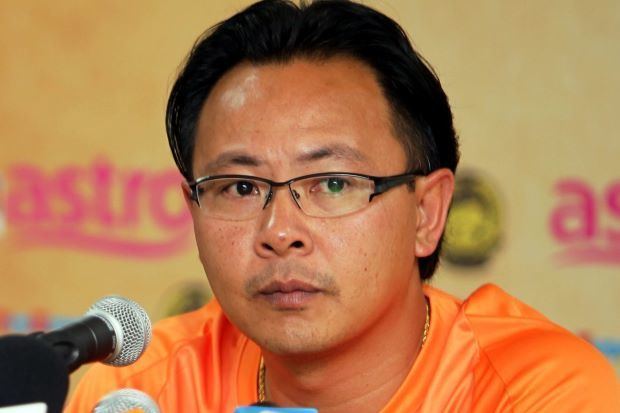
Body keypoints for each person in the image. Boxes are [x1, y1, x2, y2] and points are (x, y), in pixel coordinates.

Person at [65, 1, 619, 412]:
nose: (280, 232)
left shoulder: (540, 394)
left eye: (332, 183)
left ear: (426, 213)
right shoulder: (138, 390)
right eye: (240, 187)